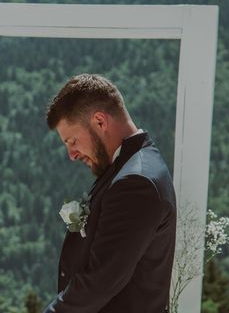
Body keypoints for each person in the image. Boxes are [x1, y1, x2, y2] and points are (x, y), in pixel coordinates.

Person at [43, 73, 176, 312]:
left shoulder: (137, 181)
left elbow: (101, 280)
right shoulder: (127, 167)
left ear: (100, 121)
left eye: (72, 141)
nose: (71, 155)